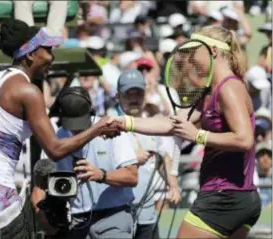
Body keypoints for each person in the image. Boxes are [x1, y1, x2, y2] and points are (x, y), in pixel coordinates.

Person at [0, 19, 119, 213]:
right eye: (48, 50)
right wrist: (98, 128)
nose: (52, 58)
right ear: (31, 54)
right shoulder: (29, 91)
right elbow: (55, 149)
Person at [111, 25, 261, 239]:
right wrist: (125, 122)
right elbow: (172, 124)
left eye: (194, 51)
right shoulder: (212, 91)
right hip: (236, 198)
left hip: (225, 197)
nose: (190, 58)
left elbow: (244, 139)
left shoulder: (229, 88)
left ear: (214, 52)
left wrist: (197, 135)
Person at [32, 87, 138, 239]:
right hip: (75, 222)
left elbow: (132, 176)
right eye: (72, 125)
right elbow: (38, 188)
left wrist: (100, 174)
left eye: (81, 123)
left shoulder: (111, 128)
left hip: (113, 215)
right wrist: (42, 217)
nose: (77, 129)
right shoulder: (57, 139)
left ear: (92, 111)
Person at [108, 69, 181, 239]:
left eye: (138, 94)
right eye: (128, 94)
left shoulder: (151, 123)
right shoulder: (109, 122)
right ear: (118, 95)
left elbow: (163, 159)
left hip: (146, 212)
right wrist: (132, 159)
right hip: (118, 213)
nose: (134, 99)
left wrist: (173, 186)